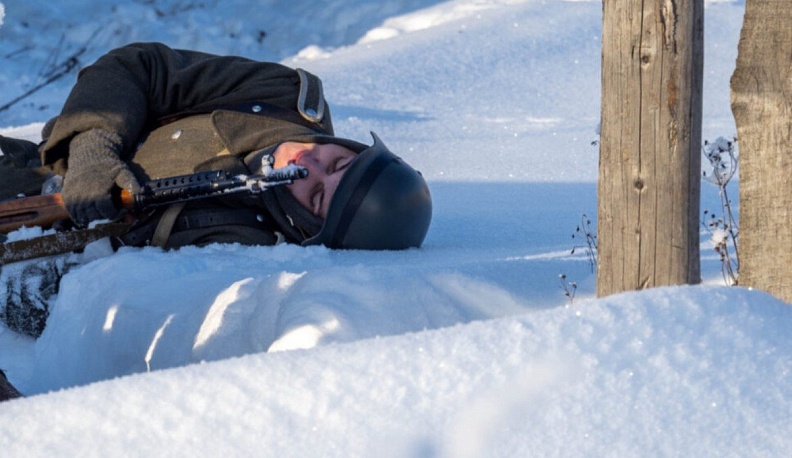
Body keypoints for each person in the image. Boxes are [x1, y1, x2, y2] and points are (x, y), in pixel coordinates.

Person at [0, 42, 433, 338]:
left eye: (317, 196)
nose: (308, 164)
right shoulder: (283, 95)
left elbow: (116, 314)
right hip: (29, 168)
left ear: (310, 231)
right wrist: (95, 154)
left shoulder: (255, 267)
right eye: (338, 161)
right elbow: (138, 67)